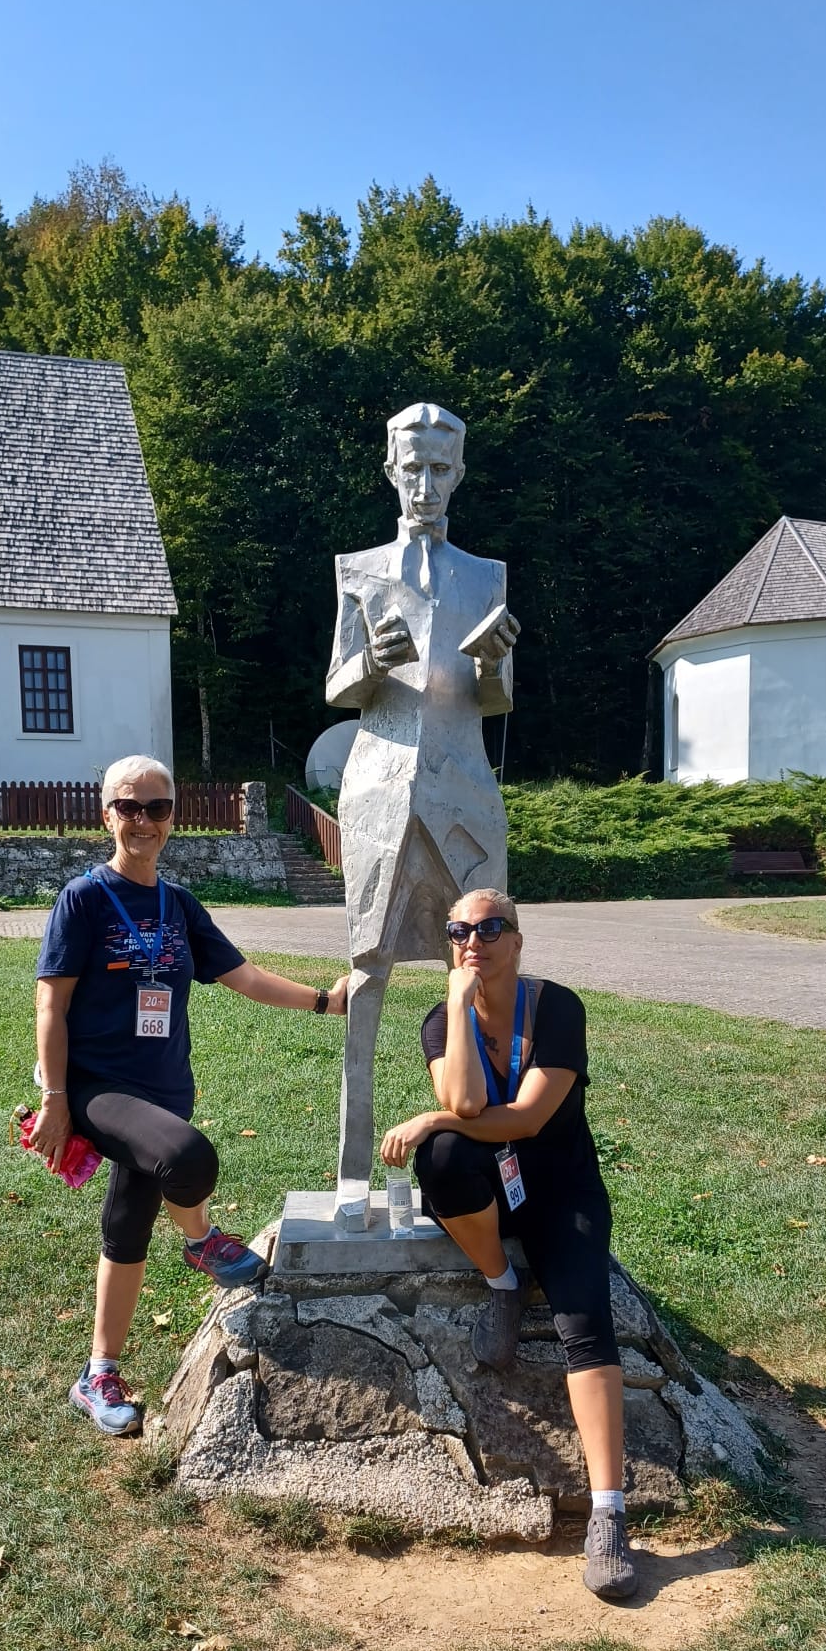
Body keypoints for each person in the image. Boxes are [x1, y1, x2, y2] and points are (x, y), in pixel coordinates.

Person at [28, 753, 348, 1438]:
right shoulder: (84, 898)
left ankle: (97, 1373)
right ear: (107, 815)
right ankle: (202, 1240)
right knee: (187, 1158)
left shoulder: (178, 905)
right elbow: (51, 1005)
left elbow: (244, 977)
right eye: (129, 807)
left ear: (173, 817)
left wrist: (325, 1001)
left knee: (128, 1224)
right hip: (98, 1087)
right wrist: (55, 1097)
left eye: (157, 808)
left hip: (165, 1086)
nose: (143, 821)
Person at [379, 888, 637, 1602]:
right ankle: (502, 1282)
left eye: (491, 928)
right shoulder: (442, 1021)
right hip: (492, 1191)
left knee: (584, 1323)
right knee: (443, 1159)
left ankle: (608, 1515)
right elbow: (466, 1104)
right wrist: (458, 1005)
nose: (474, 941)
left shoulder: (557, 1009)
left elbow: (525, 1118)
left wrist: (432, 1117)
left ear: (517, 941)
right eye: (459, 930)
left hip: (561, 1193)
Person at [325, 401, 520, 1224]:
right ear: (390, 470)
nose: (426, 484)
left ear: (460, 473)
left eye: (441, 469)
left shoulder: (487, 575)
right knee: (368, 970)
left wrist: (495, 664)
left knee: (482, 975)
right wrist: (370, 661)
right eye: (413, 468)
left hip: (464, 789)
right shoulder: (358, 569)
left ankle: (487, 1172)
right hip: (378, 787)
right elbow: (337, 686)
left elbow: (495, 700)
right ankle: (351, 1175)